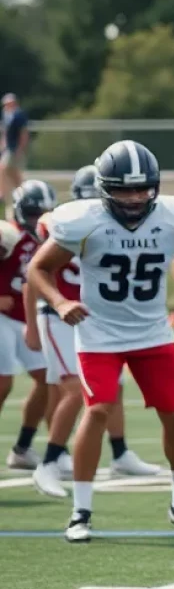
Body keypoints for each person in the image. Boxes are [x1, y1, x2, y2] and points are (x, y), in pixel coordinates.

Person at [27, 139, 174, 543]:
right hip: (99, 333)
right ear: (103, 188)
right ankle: (81, 510)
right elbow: (39, 268)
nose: (134, 198)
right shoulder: (83, 220)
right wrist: (61, 301)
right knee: (97, 409)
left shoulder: (173, 217)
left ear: (155, 186)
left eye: (141, 189)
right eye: (123, 189)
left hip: (152, 333)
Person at [25, 166, 160, 498]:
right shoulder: (62, 222)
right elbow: (36, 273)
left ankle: (120, 452)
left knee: (112, 388)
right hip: (59, 316)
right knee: (74, 391)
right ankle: (50, 461)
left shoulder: (118, 224)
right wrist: (32, 322)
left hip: (97, 319)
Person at [0, 180, 53, 469]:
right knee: (2, 384)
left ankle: (22, 447)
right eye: (34, 213)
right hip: (3, 318)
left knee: (47, 379)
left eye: (44, 213)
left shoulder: (49, 239)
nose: (38, 220)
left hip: (26, 319)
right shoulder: (7, 235)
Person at [1, 93, 30, 217]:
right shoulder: (7, 115)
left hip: (14, 150)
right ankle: (22, 196)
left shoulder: (19, 115)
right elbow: (5, 134)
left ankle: (6, 195)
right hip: (9, 149)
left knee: (3, 169)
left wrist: (20, 148)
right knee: (15, 176)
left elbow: (23, 133)